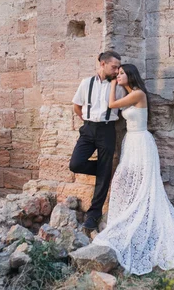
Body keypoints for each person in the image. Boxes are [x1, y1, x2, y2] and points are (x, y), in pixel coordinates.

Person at [92, 64, 174, 275]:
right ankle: (131, 215)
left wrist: (113, 82)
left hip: (141, 141)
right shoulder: (133, 93)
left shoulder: (139, 94)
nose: (118, 75)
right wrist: (120, 83)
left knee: (137, 180)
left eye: (122, 73)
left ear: (130, 75)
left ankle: (140, 217)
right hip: (131, 141)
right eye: (118, 73)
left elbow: (112, 104)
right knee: (126, 179)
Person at [70, 51, 126, 231]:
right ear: (102, 64)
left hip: (107, 129)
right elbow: (76, 106)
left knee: (103, 174)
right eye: (114, 67)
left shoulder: (118, 86)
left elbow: (125, 107)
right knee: (76, 164)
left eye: (118, 67)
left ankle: (93, 215)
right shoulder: (86, 83)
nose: (117, 70)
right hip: (88, 129)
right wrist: (86, 123)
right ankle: (105, 172)